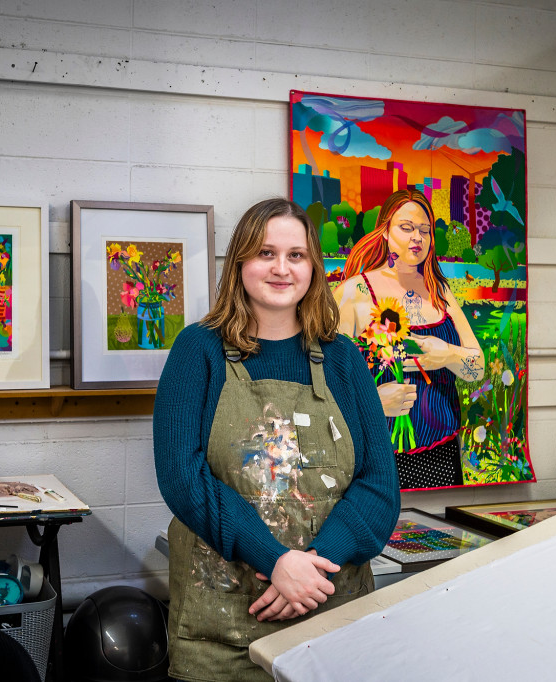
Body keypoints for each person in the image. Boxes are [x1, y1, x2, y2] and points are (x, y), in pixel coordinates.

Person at [153, 197, 399, 681]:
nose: (281, 268)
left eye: (296, 255)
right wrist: (276, 562)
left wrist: (310, 571)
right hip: (222, 638)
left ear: (313, 268)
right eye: (266, 253)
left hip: (333, 623)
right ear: (240, 262)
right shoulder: (198, 350)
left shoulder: (343, 359)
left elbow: (379, 486)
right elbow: (183, 478)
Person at [332, 189, 484, 489]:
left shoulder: (439, 290)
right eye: (407, 227)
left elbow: (477, 367)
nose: (418, 237)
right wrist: (374, 402)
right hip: (377, 454)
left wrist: (448, 355)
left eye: (425, 231)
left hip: (442, 450)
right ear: (386, 231)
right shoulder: (355, 293)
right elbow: (325, 383)